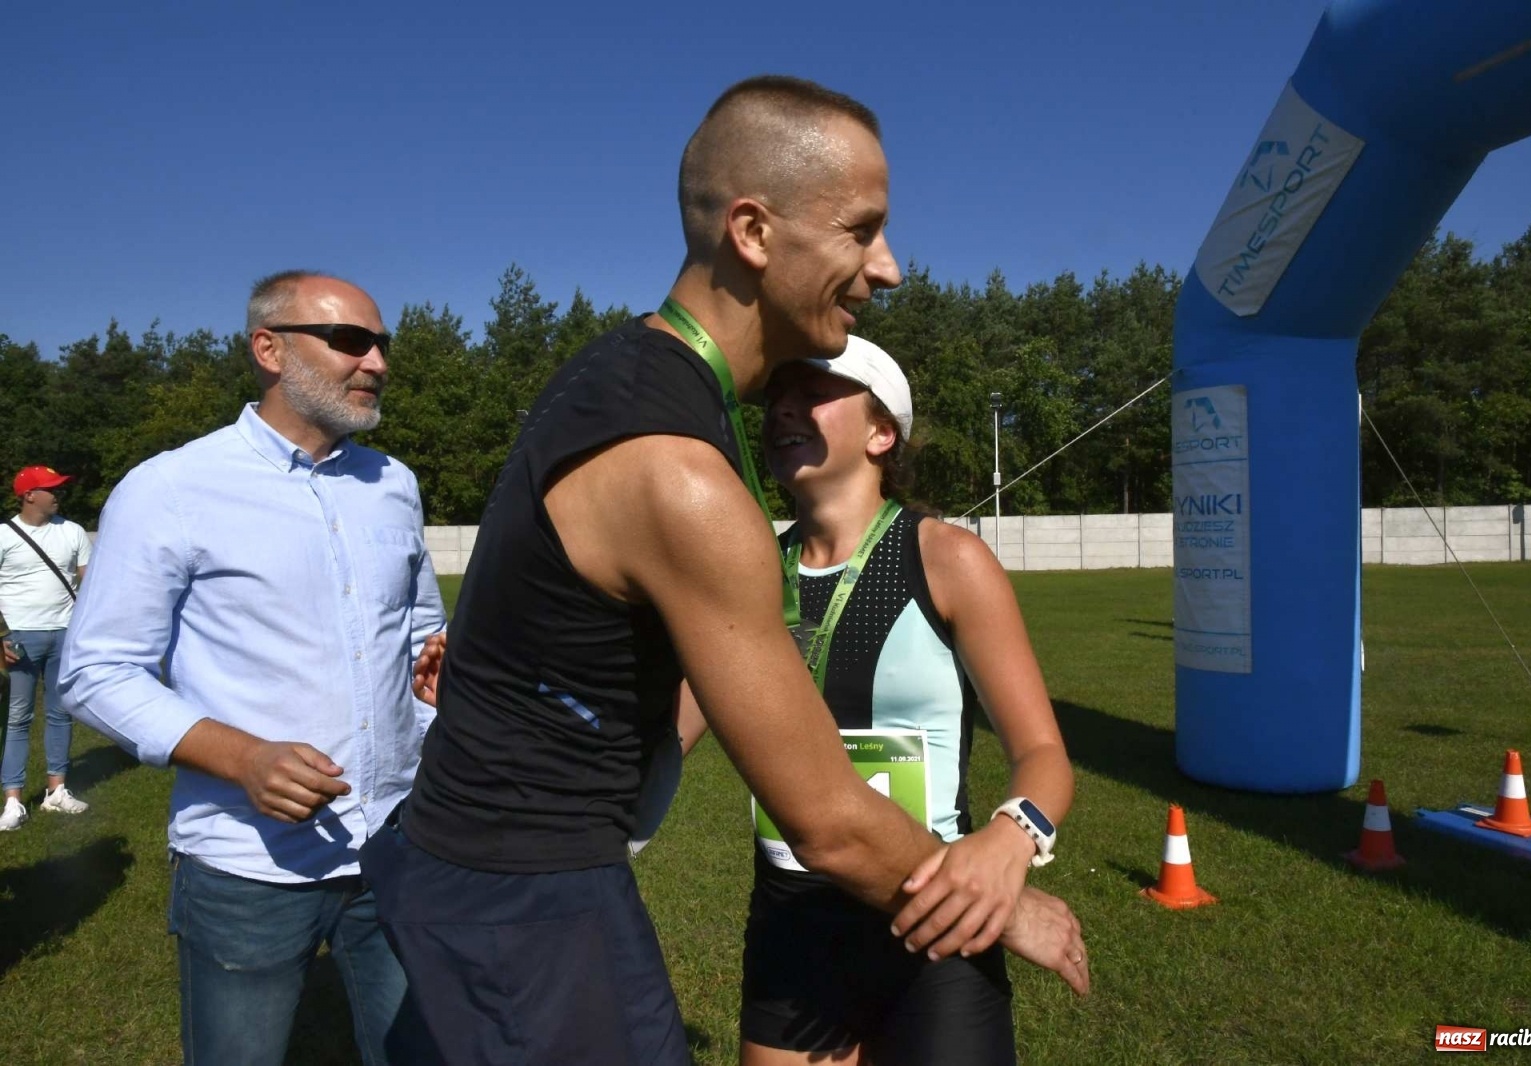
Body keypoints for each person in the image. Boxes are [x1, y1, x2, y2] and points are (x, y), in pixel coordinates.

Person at [363, 75, 1086, 1066]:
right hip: (526, 900)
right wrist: (1017, 910)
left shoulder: (621, 378)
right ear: (752, 231)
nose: (888, 268)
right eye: (861, 230)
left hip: (479, 874)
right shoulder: (684, 474)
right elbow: (827, 822)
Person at [58, 271, 445, 1066]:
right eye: (350, 341)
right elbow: (95, 670)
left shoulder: (393, 484)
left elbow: (419, 636)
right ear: (269, 349)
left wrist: (440, 689)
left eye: (382, 344)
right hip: (246, 867)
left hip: (396, 847)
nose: (377, 362)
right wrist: (244, 758)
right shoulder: (171, 488)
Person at [723, 337, 1076, 1065]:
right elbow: (668, 732)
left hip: (938, 919)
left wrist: (1011, 841)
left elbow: (1043, 754)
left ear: (882, 432)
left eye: (814, 394)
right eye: (777, 398)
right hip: (794, 923)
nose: (784, 409)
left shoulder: (949, 559)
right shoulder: (746, 575)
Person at [1, 465, 94, 830]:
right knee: (18, 718)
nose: (58, 494)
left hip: (65, 635)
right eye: (51, 489)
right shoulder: (5, 535)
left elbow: (91, 584)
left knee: (60, 712)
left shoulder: (73, 531)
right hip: (19, 637)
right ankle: (13, 800)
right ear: (29, 495)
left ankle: (56, 791)